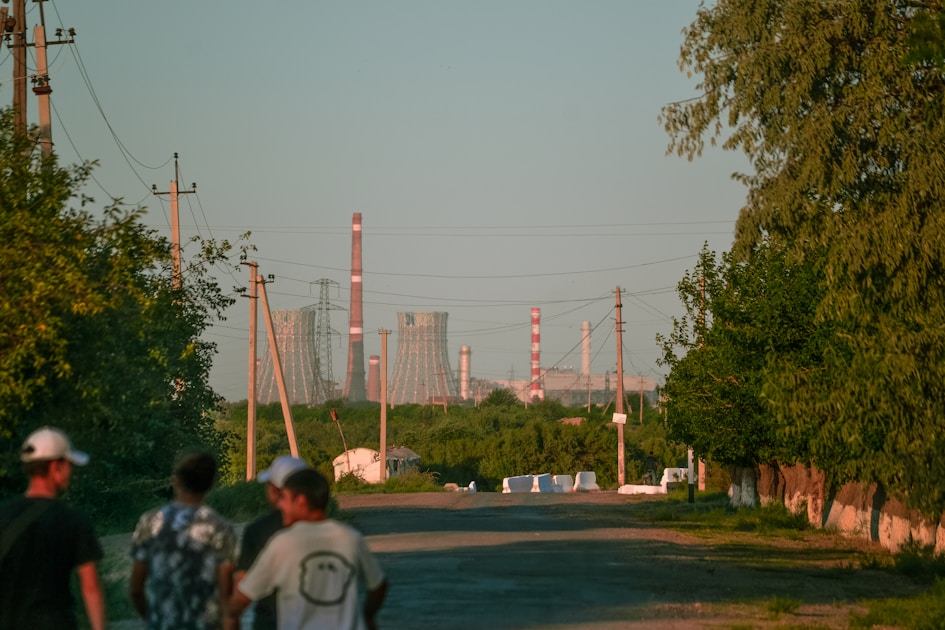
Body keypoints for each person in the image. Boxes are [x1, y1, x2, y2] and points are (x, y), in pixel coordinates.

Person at [230, 469, 388, 630]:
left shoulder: (283, 542)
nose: (281, 505)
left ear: (301, 501)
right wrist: (368, 617)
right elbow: (378, 585)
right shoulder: (350, 537)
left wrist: (228, 614)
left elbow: (243, 598)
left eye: (284, 498)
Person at [0, 426, 105, 630]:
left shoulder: (3, 515)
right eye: (68, 465)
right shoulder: (73, 520)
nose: (71, 471)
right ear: (56, 467)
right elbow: (90, 586)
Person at [130, 449, 238, 630]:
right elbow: (226, 594)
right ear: (210, 484)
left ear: (176, 481)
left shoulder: (150, 522)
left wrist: (152, 618)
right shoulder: (221, 528)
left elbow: (136, 589)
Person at [234, 454, 310, 630]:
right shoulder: (330, 531)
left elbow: (242, 585)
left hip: (270, 622)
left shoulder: (258, 531)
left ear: (275, 490)